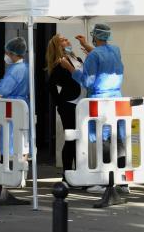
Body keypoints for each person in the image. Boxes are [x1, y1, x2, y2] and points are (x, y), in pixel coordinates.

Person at [60, 23, 127, 193]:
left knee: (102, 140)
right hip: (116, 99)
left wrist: (70, 69)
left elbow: (87, 81)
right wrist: (87, 46)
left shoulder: (93, 56)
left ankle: (103, 181)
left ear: (95, 36)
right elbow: (103, 53)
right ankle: (122, 182)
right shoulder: (115, 50)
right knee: (118, 140)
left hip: (99, 101)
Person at [47, 34, 86, 184]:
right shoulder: (59, 63)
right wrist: (59, 103)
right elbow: (50, 86)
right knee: (70, 139)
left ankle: (79, 173)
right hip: (69, 104)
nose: (67, 41)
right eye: (63, 40)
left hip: (82, 103)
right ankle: (67, 175)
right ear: (57, 46)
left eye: (66, 39)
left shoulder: (77, 59)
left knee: (79, 139)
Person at [0, 37, 30, 157]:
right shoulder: (25, 67)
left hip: (13, 106)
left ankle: (7, 165)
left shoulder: (15, 70)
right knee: (22, 138)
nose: (5, 55)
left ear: (12, 53)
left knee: (9, 138)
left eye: (7, 53)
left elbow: (4, 89)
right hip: (23, 104)